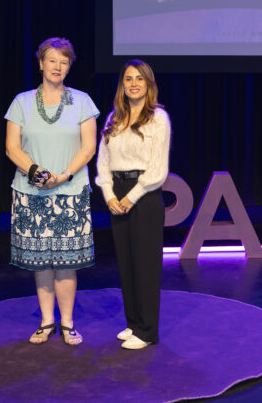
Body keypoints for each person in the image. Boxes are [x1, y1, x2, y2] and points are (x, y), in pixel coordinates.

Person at [4, 37, 100, 346]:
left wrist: (63, 175)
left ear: (69, 66)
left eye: (64, 61)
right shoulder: (21, 102)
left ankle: (68, 323)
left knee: (66, 262)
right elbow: (11, 148)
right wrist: (35, 172)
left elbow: (89, 147)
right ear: (41, 63)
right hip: (30, 193)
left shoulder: (83, 101)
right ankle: (47, 322)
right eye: (52, 60)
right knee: (41, 262)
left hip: (70, 192)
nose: (58, 66)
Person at [96, 59, 171, 350]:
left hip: (144, 195)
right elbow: (103, 162)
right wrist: (110, 196)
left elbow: (157, 170)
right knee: (126, 264)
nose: (134, 83)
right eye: (128, 79)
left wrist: (130, 197)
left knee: (145, 265)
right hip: (117, 193)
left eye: (140, 78)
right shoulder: (114, 118)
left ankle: (148, 331)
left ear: (149, 84)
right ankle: (133, 324)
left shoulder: (158, 118)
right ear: (122, 85)